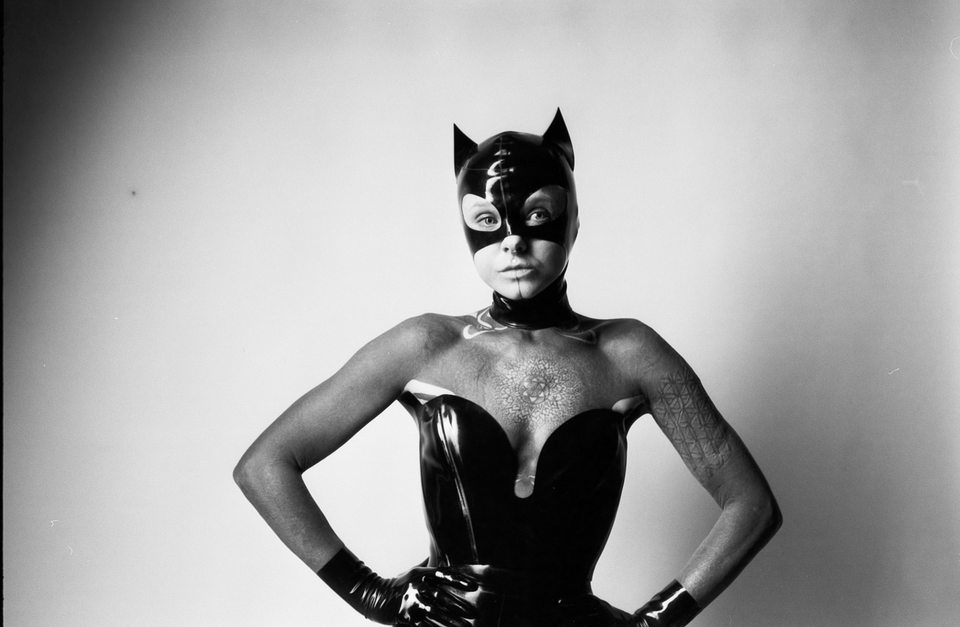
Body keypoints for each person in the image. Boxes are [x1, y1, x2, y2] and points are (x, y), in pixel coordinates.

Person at [234, 110, 781, 626]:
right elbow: (266, 465)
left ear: (573, 222)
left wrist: (652, 621)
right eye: (487, 220)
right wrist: (374, 596)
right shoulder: (426, 345)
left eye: (537, 215)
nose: (513, 241)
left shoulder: (628, 353)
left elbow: (751, 505)